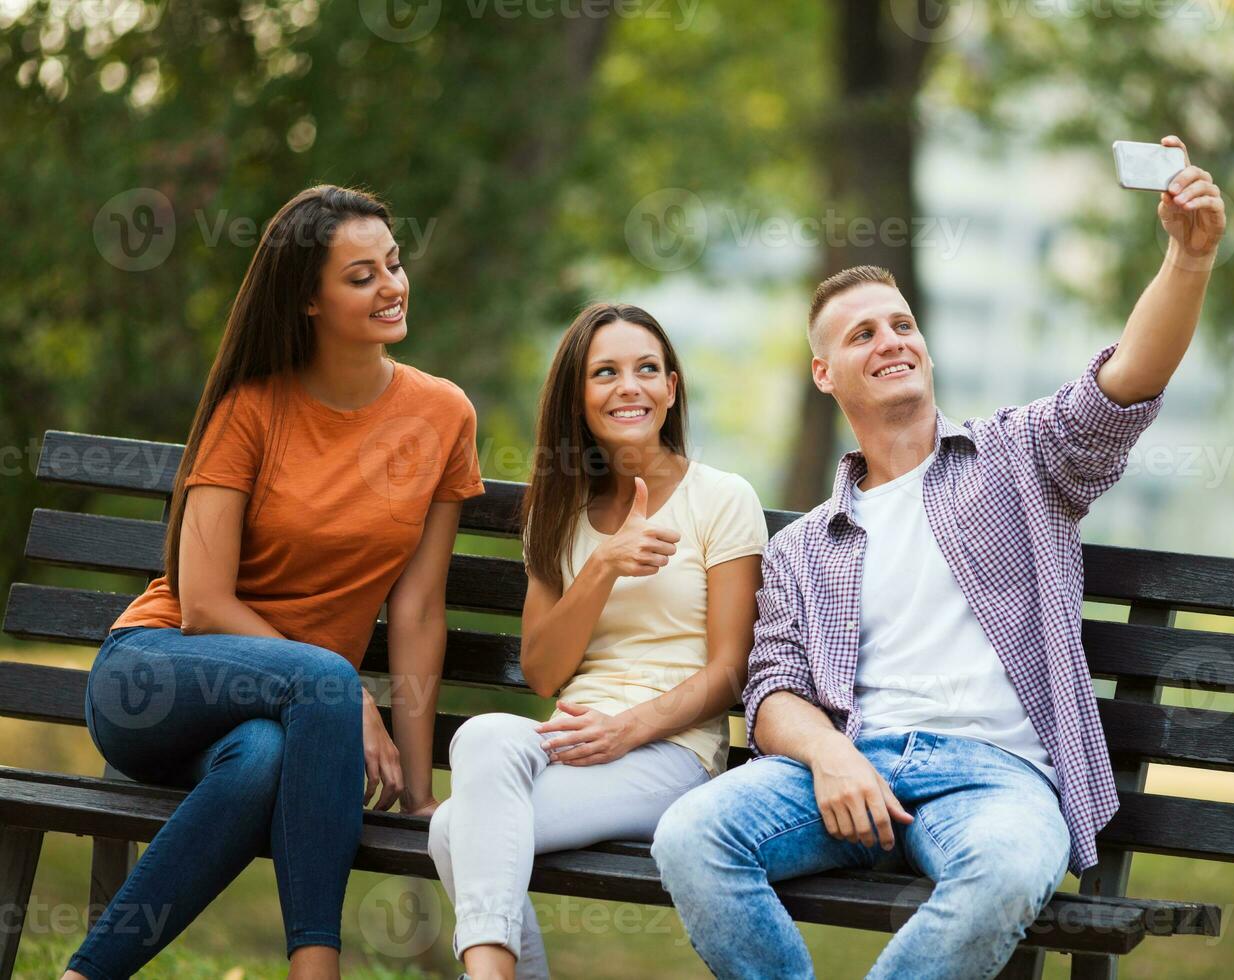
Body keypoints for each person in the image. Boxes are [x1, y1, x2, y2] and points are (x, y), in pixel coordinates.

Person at [651, 135, 1227, 979]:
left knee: (1002, 873)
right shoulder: (806, 545)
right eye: (861, 334)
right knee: (691, 835)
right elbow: (771, 694)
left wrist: (1189, 258)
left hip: (997, 778)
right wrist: (834, 756)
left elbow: (1129, 380)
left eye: (902, 324)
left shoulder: (1019, 456)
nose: (890, 339)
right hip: (852, 770)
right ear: (824, 372)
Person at [64, 185, 484, 980]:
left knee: (258, 761)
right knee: (320, 685)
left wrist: (422, 790)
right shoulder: (250, 408)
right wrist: (343, 690)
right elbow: (203, 603)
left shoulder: (442, 415)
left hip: (280, 720)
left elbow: (420, 608)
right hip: (153, 677)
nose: (392, 286)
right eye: (360, 276)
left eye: (393, 264)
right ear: (307, 301)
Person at [427, 303, 767, 980]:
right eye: (605, 372)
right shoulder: (559, 514)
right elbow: (545, 671)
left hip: (673, 753)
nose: (629, 386)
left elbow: (731, 671)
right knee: (484, 738)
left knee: (451, 831)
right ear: (579, 400)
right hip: (570, 740)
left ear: (672, 388)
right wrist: (605, 564)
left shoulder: (723, 500)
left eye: (647, 369)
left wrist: (629, 728)